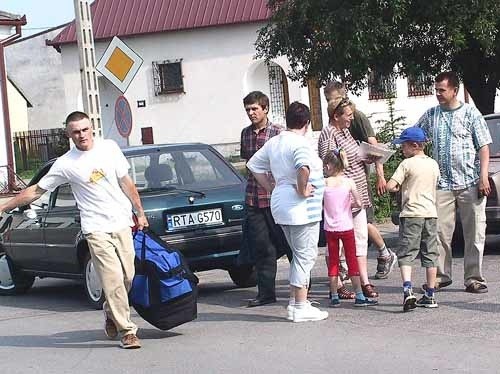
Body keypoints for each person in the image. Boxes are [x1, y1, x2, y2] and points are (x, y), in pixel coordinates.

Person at [0, 111, 148, 349]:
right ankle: (128, 331)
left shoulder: (109, 148)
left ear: (92, 129)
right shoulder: (66, 164)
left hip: (121, 221)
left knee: (127, 276)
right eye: (76, 132)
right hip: (95, 227)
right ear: (69, 135)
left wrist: (139, 213)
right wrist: (5, 206)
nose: (82, 135)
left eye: (85, 130)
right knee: (112, 280)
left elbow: (126, 182)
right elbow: (36, 191)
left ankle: (111, 312)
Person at [247, 101, 328, 322]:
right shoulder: (301, 143)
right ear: (307, 123)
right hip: (301, 208)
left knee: (297, 254)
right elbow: (303, 167)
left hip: (281, 203)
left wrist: (272, 187)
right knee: (305, 256)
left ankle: (295, 303)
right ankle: (301, 306)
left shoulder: (275, 142)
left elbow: (253, 165)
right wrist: (302, 190)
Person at [416, 71, 492, 294]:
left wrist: (483, 176)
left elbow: (484, 147)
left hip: (469, 182)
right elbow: (414, 136)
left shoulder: (471, 114)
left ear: (454, 90)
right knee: (438, 233)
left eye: (442, 90)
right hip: (443, 185)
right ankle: (441, 276)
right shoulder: (431, 115)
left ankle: (474, 278)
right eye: (436, 90)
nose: (438, 94)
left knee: (475, 232)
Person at [323, 81, 397, 280]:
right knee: (353, 228)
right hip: (345, 188)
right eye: (328, 100)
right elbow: (330, 159)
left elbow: (373, 146)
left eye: (333, 99)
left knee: (365, 224)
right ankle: (349, 270)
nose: (330, 103)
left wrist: (380, 174)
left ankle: (382, 254)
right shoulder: (333, 128)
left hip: (358, 184)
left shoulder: (355, 117)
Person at [318, 98, 378, 298]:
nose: (352, 118)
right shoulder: (329, 132)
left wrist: (366, 157)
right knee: (337, 245)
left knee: (359, 240)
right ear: (336, 116)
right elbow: (329, 163)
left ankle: (364, 281)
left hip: (356, 192)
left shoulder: (345, 131)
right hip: (342, 198)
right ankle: (338, 285)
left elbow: (350, 156)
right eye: (348, 115)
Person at [240, 91, 291, 307]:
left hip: (276, 198)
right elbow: (247, 161)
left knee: (289, 245)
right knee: (262, 248)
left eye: (255, 109)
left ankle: (301, 290)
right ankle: (266, 293)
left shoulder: (278, 132)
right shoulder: (246, 133)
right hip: (254, 198)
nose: (251, 113)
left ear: (266, 109)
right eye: (248, 110)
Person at [386, 127, 440, 311]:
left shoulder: (406, 164)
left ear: (414, 145)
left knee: (407, 253)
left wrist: (397, 189)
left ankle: (408, 290)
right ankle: (430, 294)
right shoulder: (433, 164)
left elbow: (390, 185)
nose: (402, 149)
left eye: (404, 145)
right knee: (431, 254)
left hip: (411, 214)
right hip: (431, 214)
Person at [323, 148, 378, 307]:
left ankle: (334, 296)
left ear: (328, 166)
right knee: (351, 259)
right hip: (346, 227)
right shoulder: (348, 182)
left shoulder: (324, 183)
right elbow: (359, 203)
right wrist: (348, 205)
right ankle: (359, 295)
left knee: (333, 262)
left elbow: (319, 202)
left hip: (330, 229)